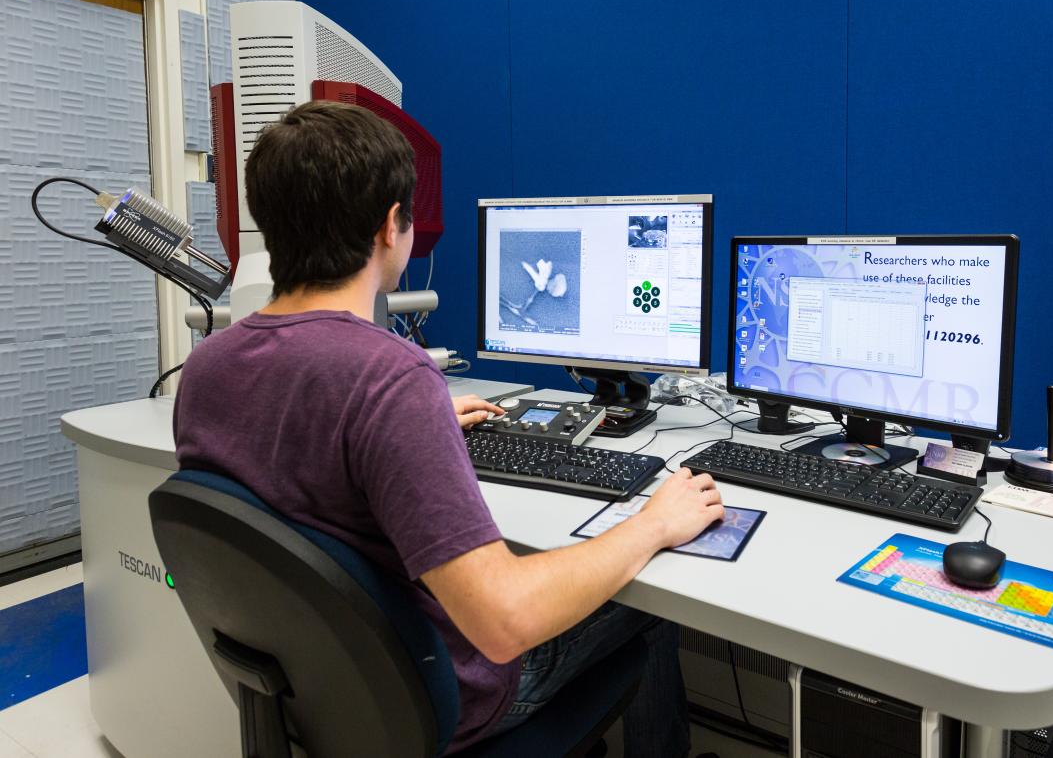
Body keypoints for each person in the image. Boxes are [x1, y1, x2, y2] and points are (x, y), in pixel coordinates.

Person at [173, 101, 722, 756]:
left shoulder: (207, 364)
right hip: (444, 698)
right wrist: (654, 523)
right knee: (649, 595)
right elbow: (504, 622)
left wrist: (418, 424)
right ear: (389, 228)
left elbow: (302, 457)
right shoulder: (388, 377)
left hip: (324, 689)